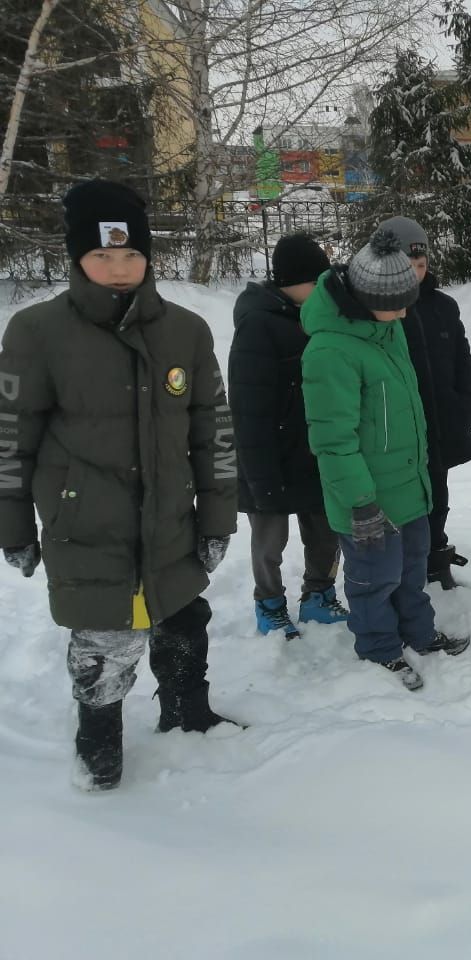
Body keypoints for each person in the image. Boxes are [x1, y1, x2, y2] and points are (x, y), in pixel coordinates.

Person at [0, 180, 240, 791]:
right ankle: (98, 742)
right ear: (76, 256)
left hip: (169, 518)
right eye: (102, 255)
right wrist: (13, 527)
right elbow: (10, 440)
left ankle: (188, 711)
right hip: (86, 523)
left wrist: (216, 517)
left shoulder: (186, 331)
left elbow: (213, 432)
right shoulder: (37, 333)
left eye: (130, 254)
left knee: (184, 617)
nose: (118, 269)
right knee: (104, 635)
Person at [301, 229, 468, 691]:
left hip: (407, 487)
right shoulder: (330, 351)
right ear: (367, 296)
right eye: (397, 302)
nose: (405, 311)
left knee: (412, 571)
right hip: (367, 498)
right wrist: (360, 501)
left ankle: (417, 633)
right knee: (375, 579)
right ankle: (378, 649)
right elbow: (333, 440)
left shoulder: (386, 327)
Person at [229, 234, 348, 639]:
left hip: (314, 451)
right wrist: (260, 476)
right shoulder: (258, 324)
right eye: (314, 283)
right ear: (288, 281)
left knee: (325, 531)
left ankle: (318, 595)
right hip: (269, 456)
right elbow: (248, 407)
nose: (321, 291)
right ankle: (270, 604)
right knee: (269, 540)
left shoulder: (322, 318)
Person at [377, 217, 471, 590]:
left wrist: (463, 406)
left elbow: (463, 362)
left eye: (420, 265)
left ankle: (436, 559)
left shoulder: (443, 307)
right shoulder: (379, 310)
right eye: (407, 266)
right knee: (403, 500)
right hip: (399, 430)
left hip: (441, 423)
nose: (416, 273)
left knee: (438, 494)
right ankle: (403, 567)